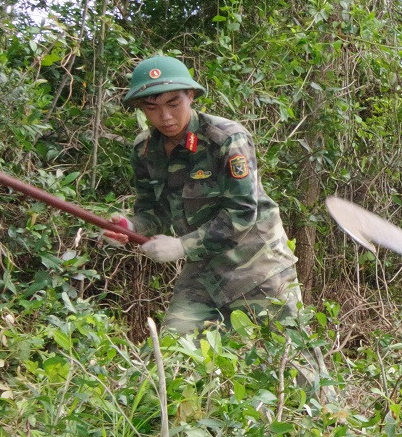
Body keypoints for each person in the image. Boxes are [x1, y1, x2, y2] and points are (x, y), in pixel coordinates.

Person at [107, 55, 302, 336]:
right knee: (175, 355)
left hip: (258, 267)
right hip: (203, 273)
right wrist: (132, 227)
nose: (165, 117)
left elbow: (242, 213)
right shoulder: (145, 149)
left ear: (190, 96)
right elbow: (154, 210)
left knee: (291, 358)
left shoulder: (226, 138)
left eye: (174, 104)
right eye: (152, 107)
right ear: (140, 108)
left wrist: (181, 247)